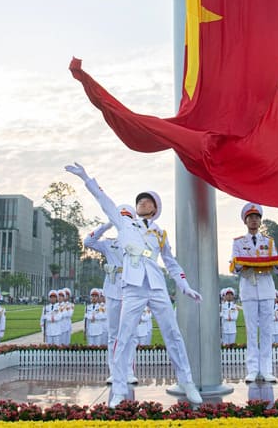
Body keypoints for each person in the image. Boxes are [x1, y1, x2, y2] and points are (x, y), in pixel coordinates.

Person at [66, 162, 203, 406]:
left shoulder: (160, 233)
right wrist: (86, 178)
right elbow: (104, 200)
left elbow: (171, 263)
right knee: (123, 336)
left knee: (173, 334)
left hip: (157, 287)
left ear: (155, 209)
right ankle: (119, 388)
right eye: (140, 200)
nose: (142, 203)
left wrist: (184, 286)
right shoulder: (125, 224)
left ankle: (187, 381)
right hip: (132, 288)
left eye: (147, 201)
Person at [83, 207, 139, 384]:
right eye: (120, 218)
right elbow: (88, 242)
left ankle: (129, 370)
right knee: (113, 333)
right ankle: (115, 371)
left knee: (130, 333)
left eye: (126, 218)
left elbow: (149, 256)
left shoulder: (138, 241)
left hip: (131, 290)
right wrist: (106, 224)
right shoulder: (109, 243)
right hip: (113, 290)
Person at [231, 202, 278, 383]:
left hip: (266, 288)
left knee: (267, 330)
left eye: (256, 217)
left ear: (260, 221)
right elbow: (234, 267)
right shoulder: (238, 242)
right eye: (250, 217)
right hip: (249, 287)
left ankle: (267, 369)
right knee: (251, 331)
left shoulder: (268, 242)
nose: (254, 220)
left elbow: (277, 267)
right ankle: (252, 369)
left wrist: (277, 265)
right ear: (245, 221)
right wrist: (242, 264)